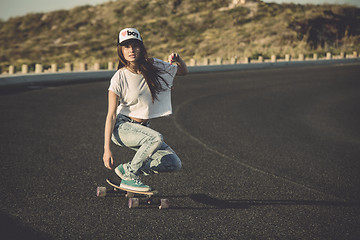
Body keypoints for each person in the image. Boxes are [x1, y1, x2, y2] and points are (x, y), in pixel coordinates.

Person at [102, 28, 188, 192]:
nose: (131, 50)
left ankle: (127, 169)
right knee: (156, 138)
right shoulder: (119, 77)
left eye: (135, 46)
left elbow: (183, 72)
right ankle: (131, 176)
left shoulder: (153, 65)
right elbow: (111, 115)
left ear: (141, 48)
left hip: (143, 130)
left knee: (173, 163)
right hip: (122, 127)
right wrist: (107, 149)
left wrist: (178, 59)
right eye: (126, 47)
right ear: (121, 50)